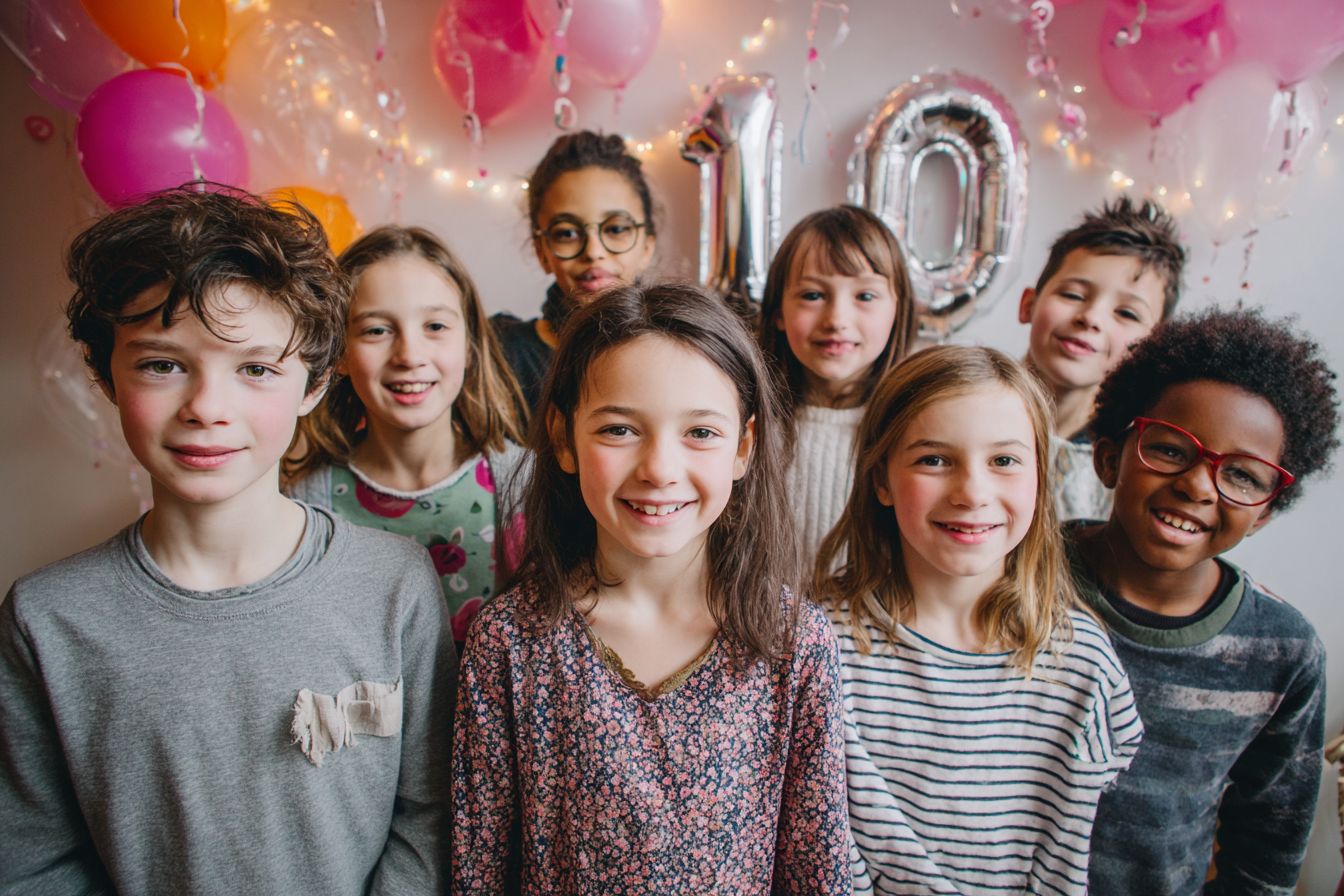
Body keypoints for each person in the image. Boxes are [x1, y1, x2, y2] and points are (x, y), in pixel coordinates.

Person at [0, 187, 455, 894]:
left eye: (255, 369)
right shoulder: (48, 620)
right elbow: (33, 861)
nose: (207, 409)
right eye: (162, 364)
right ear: (104, 375)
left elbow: (428, 820)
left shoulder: (395, 584)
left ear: (313, 383)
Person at [452, 283, 851, 894]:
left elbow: (818, 873)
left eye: (701, 433)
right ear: (563, 438)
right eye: (619, 430)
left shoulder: (792, 641)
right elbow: (477, 873)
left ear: (743, 446)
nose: (660, 469)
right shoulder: (510, 642)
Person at [815, 345, 1143, 896]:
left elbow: (1075, 844)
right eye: (934, 459)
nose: (972, 492)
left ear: (1040, 478)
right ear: (882, 480)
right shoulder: (820, 646)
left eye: (1004, 461)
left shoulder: (1081, 660)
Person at [1069, 307, 1339, 895]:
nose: (1197, 486)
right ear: (1110, 456)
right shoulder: (1021, 576)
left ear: (1265, 512)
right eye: (1170, 450)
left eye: (1243, 476)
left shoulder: (1284, 652)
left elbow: (1265, 855)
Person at [286, 225, 527, 646]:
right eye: (377, 330)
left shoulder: (527, 486)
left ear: (469, 344)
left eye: (435, 326)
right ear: (340, 352)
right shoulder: (306, 508)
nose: (410, 356)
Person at [759, 205, 916, 572]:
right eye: (813, 296)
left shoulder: (912, 424)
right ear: (779, 311)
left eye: (865, 297)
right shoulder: (749, 421)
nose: (837, 320)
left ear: (898, 309)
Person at [1018, 195, 1185, 521]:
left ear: (1153, 343)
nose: (1091, 317)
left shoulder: (1130, 462)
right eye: (1073, 295)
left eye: (1126, 313)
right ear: (1028, 305)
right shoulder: (966, 405)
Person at [492, 130, 658, 410]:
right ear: (542, 251)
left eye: (616, 229)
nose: (593, 251)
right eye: (567, 233)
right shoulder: (502, 356)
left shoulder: (684, 352)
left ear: (647, 247)